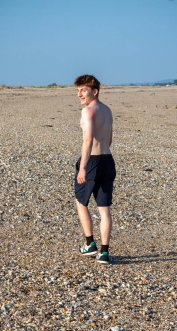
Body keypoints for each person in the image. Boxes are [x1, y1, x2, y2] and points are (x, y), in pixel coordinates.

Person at [74, 74, 116, 264]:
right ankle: (104, 252)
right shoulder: (107, 110)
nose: (79, 95)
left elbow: (88, 139)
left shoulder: (88, 111)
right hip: (108, 160)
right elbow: (109, 139)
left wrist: (83, 168)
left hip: (92, 161)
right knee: (104, 209)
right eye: (78, 91)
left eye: (83, 90)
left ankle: (90, 244)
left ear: (95, 91)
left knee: (81, 202)